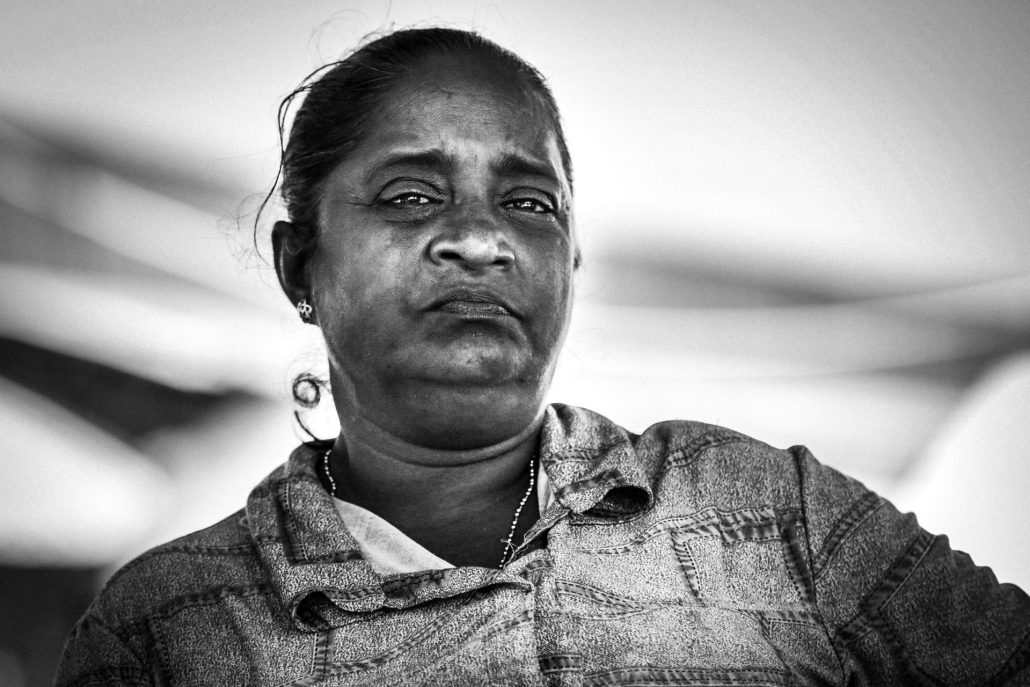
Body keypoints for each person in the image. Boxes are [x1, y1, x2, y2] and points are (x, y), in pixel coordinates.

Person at [56, 27, 1030, 686]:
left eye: (528, 204)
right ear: (297, 265)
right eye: (408, 196)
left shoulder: (767, 512)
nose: (480, 240)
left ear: (568, 263)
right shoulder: (171, 625)